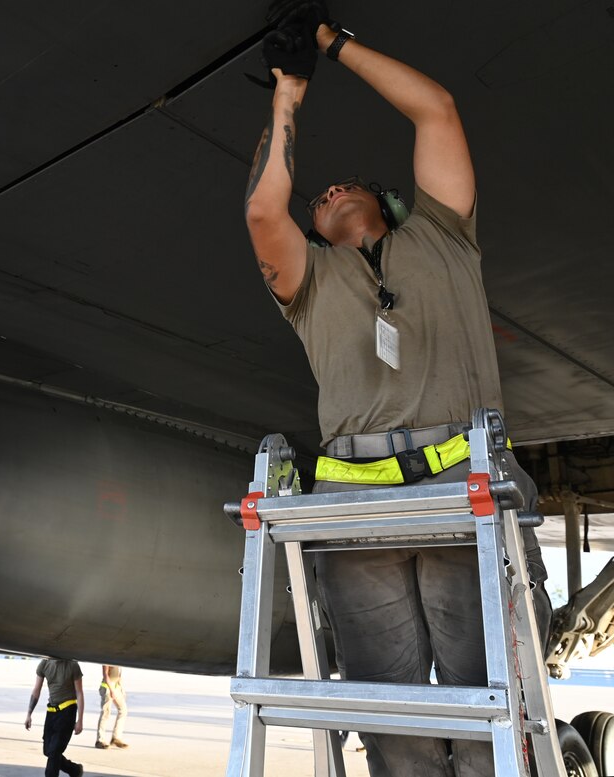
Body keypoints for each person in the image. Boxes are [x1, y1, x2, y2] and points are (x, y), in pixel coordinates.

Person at [242, 4, 552, 776]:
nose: (332, 190)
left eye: (349, 185)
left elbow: (435, 110)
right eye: (321, 197)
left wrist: (331, 44)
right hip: (360, 518)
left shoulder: (445, 235)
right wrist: (287, 95)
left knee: (495, 714)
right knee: (396, 733)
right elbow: (260, 208)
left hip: (461, 491)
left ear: (389, 203)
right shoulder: (310, 283)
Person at [25, 657, 85, 777]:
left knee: (54, 752)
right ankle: (74, 770)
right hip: (52, 711)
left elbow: (79, 692)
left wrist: (80, 720)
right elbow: (37, 689)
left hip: (67, 711)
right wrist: (29, 714)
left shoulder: (72, 665)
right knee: (48, 750)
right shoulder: (44, 663)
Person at [94, 664, 129, 749]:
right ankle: (100, 740)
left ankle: (116, 738)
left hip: (116, 688)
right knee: (106, 713)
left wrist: (121, 689)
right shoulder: (108, 658)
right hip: (107, 688)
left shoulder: (118, 659)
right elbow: (105, 675)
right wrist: (111, 690)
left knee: (123, 710)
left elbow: (118, 676)